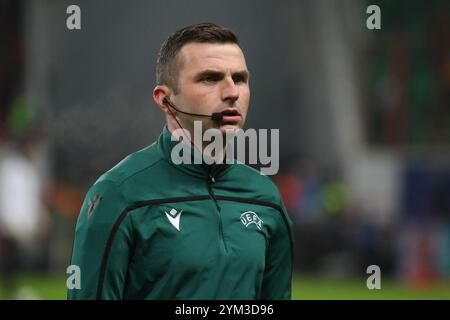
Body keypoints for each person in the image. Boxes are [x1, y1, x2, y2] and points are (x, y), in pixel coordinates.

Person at [68, 22, 293, 300]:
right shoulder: (118, 195)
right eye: (210, 78)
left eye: (240, 78)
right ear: (165, 99)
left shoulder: (266, 198)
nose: (231, 91)